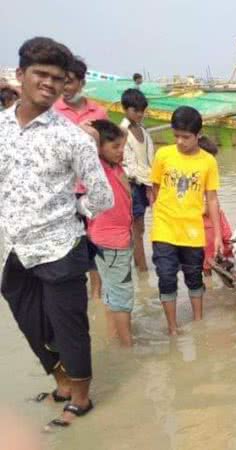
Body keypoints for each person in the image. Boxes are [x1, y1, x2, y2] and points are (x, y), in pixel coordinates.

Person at [1, 37, 113, 429]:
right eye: (41, 75)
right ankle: (62, 383)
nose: (49, 84)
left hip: (60, 246)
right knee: (31, 324)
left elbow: (102, 196)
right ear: (21, 76)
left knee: (70, 327)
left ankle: (81, 398)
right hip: (10, 249)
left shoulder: (72, 137)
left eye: (58, 78)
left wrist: (74, 214)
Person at [150, 106, 222, 336]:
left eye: (186, 137)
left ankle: (199, 322)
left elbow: (212, 199)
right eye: (176, 135)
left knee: (194, 276)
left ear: (198, 135)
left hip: (192, 229)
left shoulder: (208, 161)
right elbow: (155, 189)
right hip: (165, 228)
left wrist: (218, 235)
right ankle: (172, 329)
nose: (180, 141)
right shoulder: (163, 155)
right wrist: (159, 214)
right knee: (166, 276)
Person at [54, 56, 109, 305]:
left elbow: (109, 149)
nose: (65, 87)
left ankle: (96, 293)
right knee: (70, 243)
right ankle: (75, 292)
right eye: (62, 81)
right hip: (64, 190)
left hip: (92, 188)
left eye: (70, 82)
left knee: (94, 241)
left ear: (82, 83)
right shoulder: (52, 111)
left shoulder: (99, 112)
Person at [86, 120, 134, 347]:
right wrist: (91, 131)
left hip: (106, 240)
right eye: (114, 147)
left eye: (121, 146)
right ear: (98, 147)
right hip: (112, 242)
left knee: (112, 292)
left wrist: (113, 139)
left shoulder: (115, 165)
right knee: (122, 296)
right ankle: (128, 346)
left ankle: (114, 337)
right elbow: (86, 138)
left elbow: (122, 133)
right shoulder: (97, 168)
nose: (121, 150)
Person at [120, 88, 154, 273]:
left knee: (139, 230)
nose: (140, 114)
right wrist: (148, 184)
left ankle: (139, 267)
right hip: (132, 185)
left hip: (145, 184)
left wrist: (151, 184)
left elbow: (149, 160)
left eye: (142, 110)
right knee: (137, 229)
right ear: (125, 109)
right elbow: (128, 166)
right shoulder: (123, 132)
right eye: (136, 110)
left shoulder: (143, 130)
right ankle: (143, 271)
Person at [196, 136, 236, 287]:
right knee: (207, 262)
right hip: (204, 227)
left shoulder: (209, 175)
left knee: (221, 252)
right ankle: (210, 288)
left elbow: (213, 201)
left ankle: (213, 286)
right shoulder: (194, 176)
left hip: (214, 222)